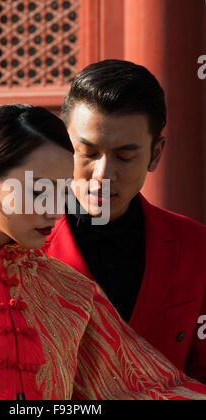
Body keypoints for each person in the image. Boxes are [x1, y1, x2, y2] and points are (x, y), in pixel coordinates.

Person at [0, 104, 206, 400]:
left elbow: (149, 388)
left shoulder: (72, 293)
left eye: (64, 192)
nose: (55, 209)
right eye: (39, 191)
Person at [42, 59, 206, 384]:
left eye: (125, 157)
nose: (103, 175)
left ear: (156, 154)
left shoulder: (195, 246)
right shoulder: (17, 245)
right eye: (87, 154)